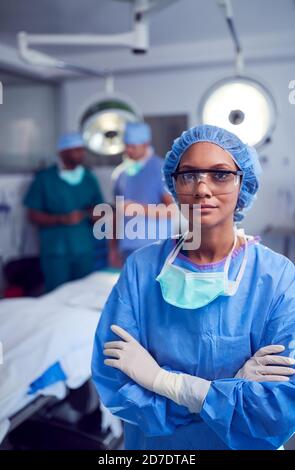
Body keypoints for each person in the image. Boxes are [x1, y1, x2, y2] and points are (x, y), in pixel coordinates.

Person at [92, 124, 295, 450]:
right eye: (188, 175)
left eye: (220, 175)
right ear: (174, 184)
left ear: (243, 182)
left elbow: (277, 407)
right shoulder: (141, 269)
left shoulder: (277, 278)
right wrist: (227, 395)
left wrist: (163, 382)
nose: (202, 188)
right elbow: (115, 381)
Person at [24, 132, 104, 292]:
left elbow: (101, 210)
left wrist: (97, 215)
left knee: (84, 294)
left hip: (84, 250)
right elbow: (32, 215)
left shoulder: (89, 178)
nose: (81, 154)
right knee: (56, 296)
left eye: (82, 150)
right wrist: (61, 219)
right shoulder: (44, 179)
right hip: (56, 252)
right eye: (75, 150)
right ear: (62, 152)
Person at [109, 121, 175, 266]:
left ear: (145, 144)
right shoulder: (121, 173)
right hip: (127, 247)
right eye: (126, 146)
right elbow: (116, 213)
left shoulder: (161, 169)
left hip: (156, 247)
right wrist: (113, 248)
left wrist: (138, 208)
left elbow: (173, 210)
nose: (128, 150)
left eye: (133, 146)